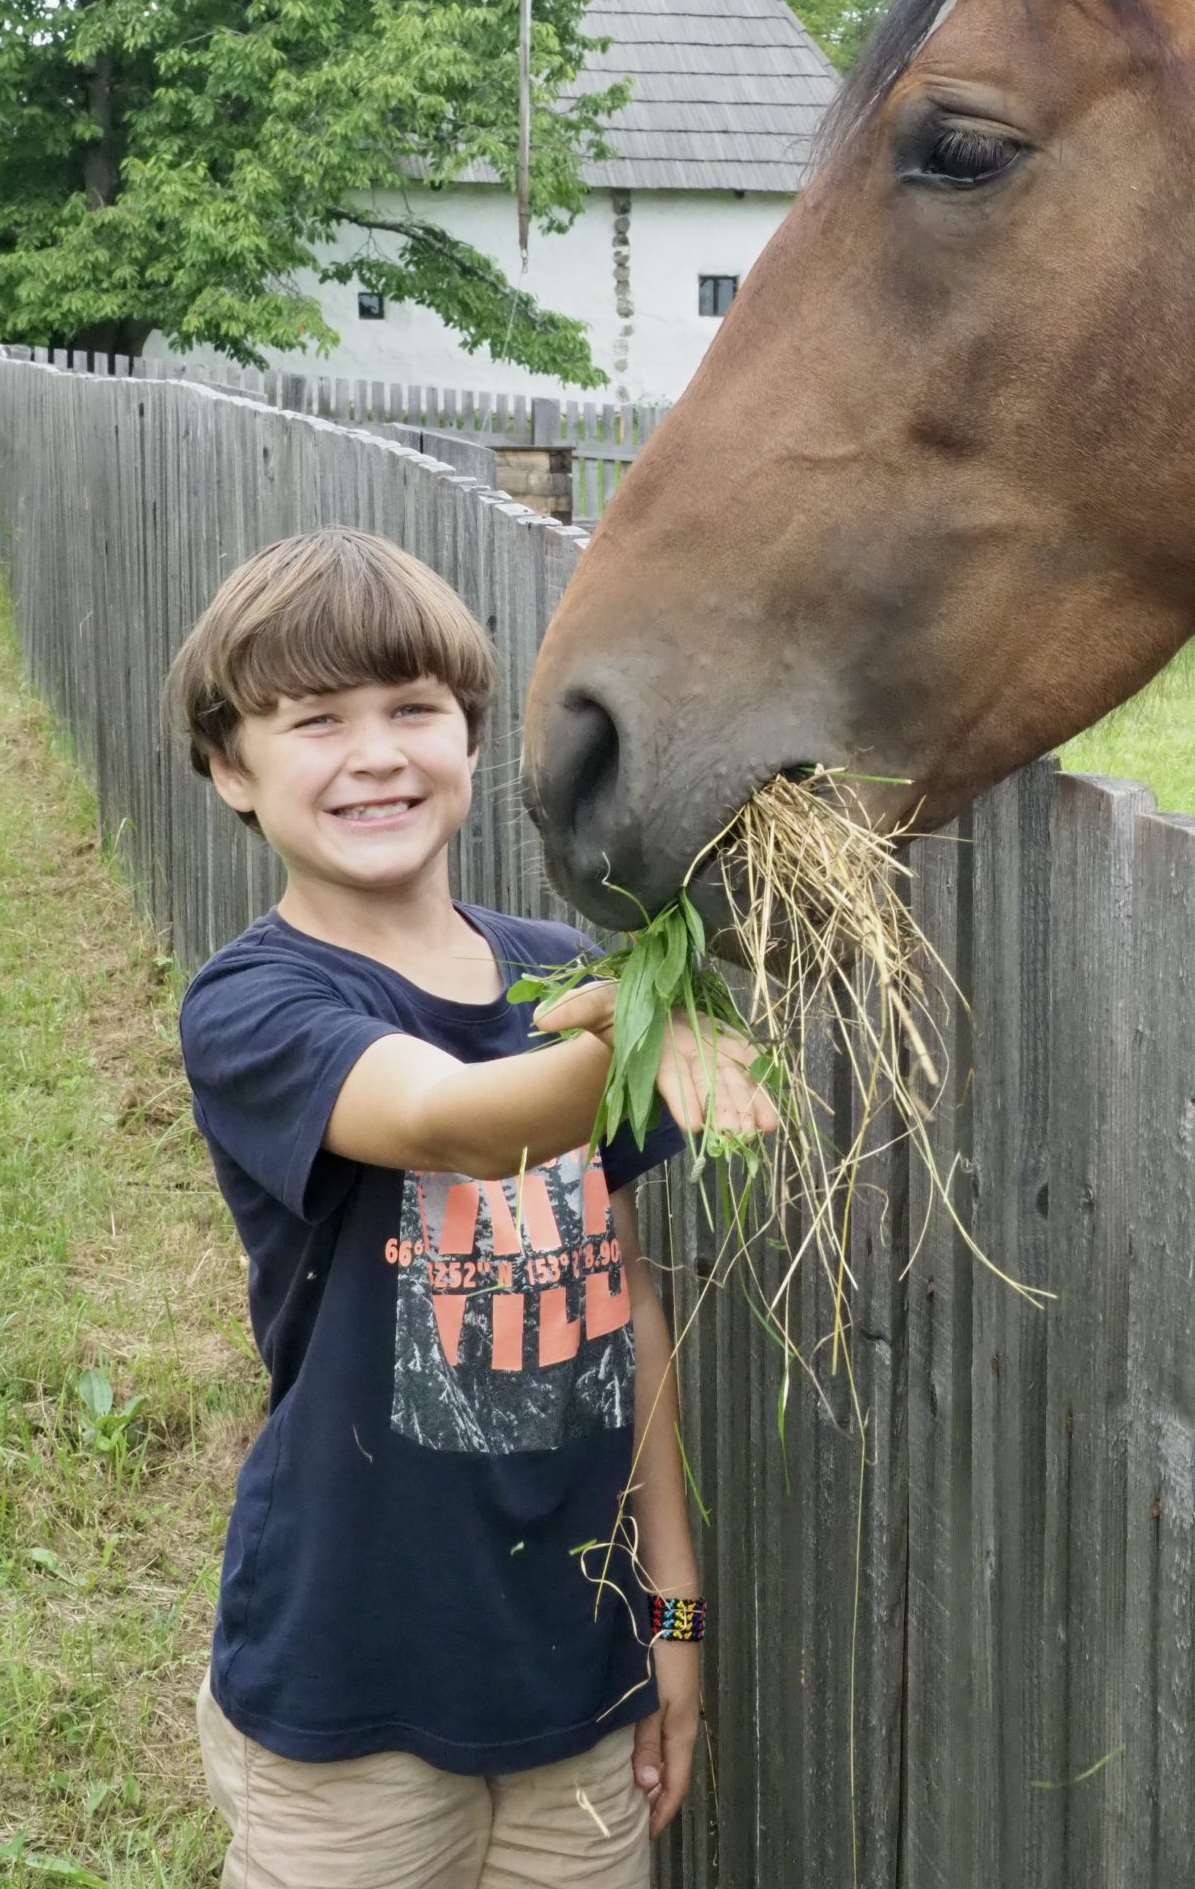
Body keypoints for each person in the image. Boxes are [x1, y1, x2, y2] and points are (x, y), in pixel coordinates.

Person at [165, 526, 777, 1888]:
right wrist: (636, 1031)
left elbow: (620, 1301)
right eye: (316, 721)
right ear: (229, 771)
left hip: (576, 1672)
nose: (376, 752)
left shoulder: (559, 970)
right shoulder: (258, 1006)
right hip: (348, 1691)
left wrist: (672, 1611)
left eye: (413, 711)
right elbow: (447, 1121)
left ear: (470, 736)